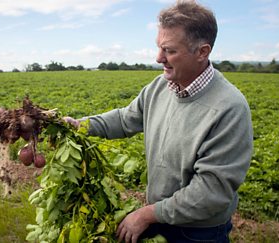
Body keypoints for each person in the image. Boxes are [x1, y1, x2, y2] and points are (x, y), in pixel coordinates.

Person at [65, 1, 253, 242]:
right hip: (159, 215)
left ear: (202, 52)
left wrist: (147, 215)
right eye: (159, 47)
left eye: (170, 50)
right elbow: (125, 119)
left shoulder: (229, 108)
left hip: (198, 232)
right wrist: (78, 125)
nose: (158, 58)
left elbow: (211, 192)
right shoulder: (160, 86)